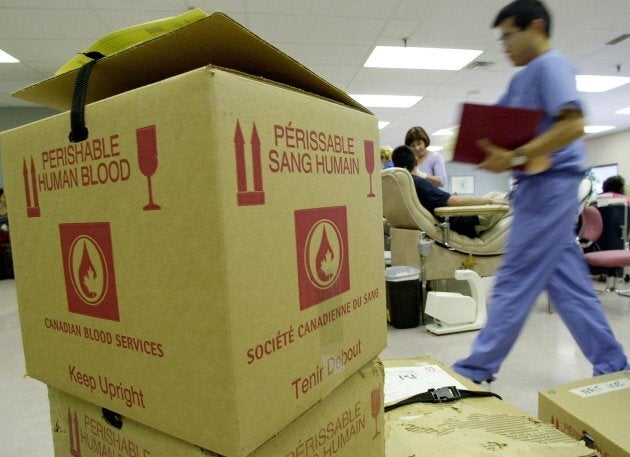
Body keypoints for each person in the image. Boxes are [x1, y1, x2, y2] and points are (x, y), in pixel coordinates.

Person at [452, 0, 628, 384]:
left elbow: (573, 125)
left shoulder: (552, 65)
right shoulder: (522, 79)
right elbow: (506, 128)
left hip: (550, 186)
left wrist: (515, 153)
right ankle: (613, 365)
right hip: (536, 185)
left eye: (509, 36)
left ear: (535, 28)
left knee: (515, 277)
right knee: (569, 284)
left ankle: (475, 369)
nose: (505, 46)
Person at [391, 145, 508, 238]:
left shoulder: (402, 185)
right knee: (509, 199)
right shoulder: (419, 183)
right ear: (416, 162)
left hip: (455, 216)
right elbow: (454, 201)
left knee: (495, 194)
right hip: (465, 221)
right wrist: (490, 201)